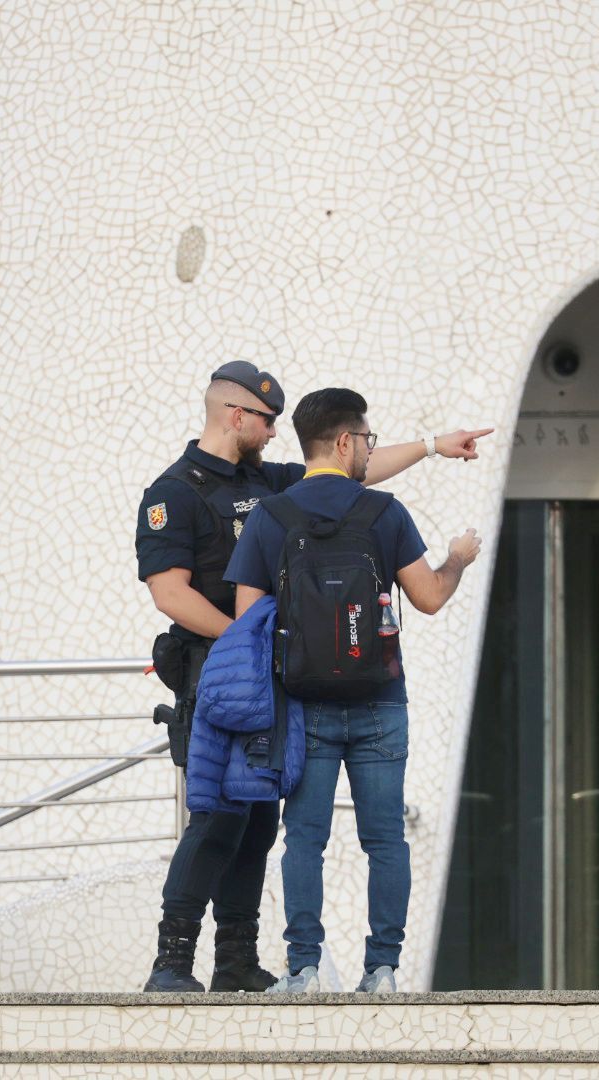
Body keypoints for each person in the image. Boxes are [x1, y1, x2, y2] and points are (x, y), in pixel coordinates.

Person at [136, 362, 490, 992]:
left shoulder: (269, 487)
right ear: (236, 415)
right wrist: (254, 638)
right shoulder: (176, 492)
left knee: (260, 819)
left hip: (277, 676)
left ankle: (237, 959)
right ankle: (172, 961)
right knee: (217, 815)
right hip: (220, 673)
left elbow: (349, 474)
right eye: (267, 420)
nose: (275, 432)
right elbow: (170, 594)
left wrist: (434, 445)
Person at [226, 387, 482, 994]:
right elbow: (429, 597)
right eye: (367, 439)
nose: (369, 448)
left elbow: (246, 622)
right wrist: (458, 558)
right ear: (345, 442)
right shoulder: (384, 512)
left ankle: (304, 969)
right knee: (385, 839)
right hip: (381, 701)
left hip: (305, 705)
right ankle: (383, 970)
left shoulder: (270, 516)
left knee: (304, 840)